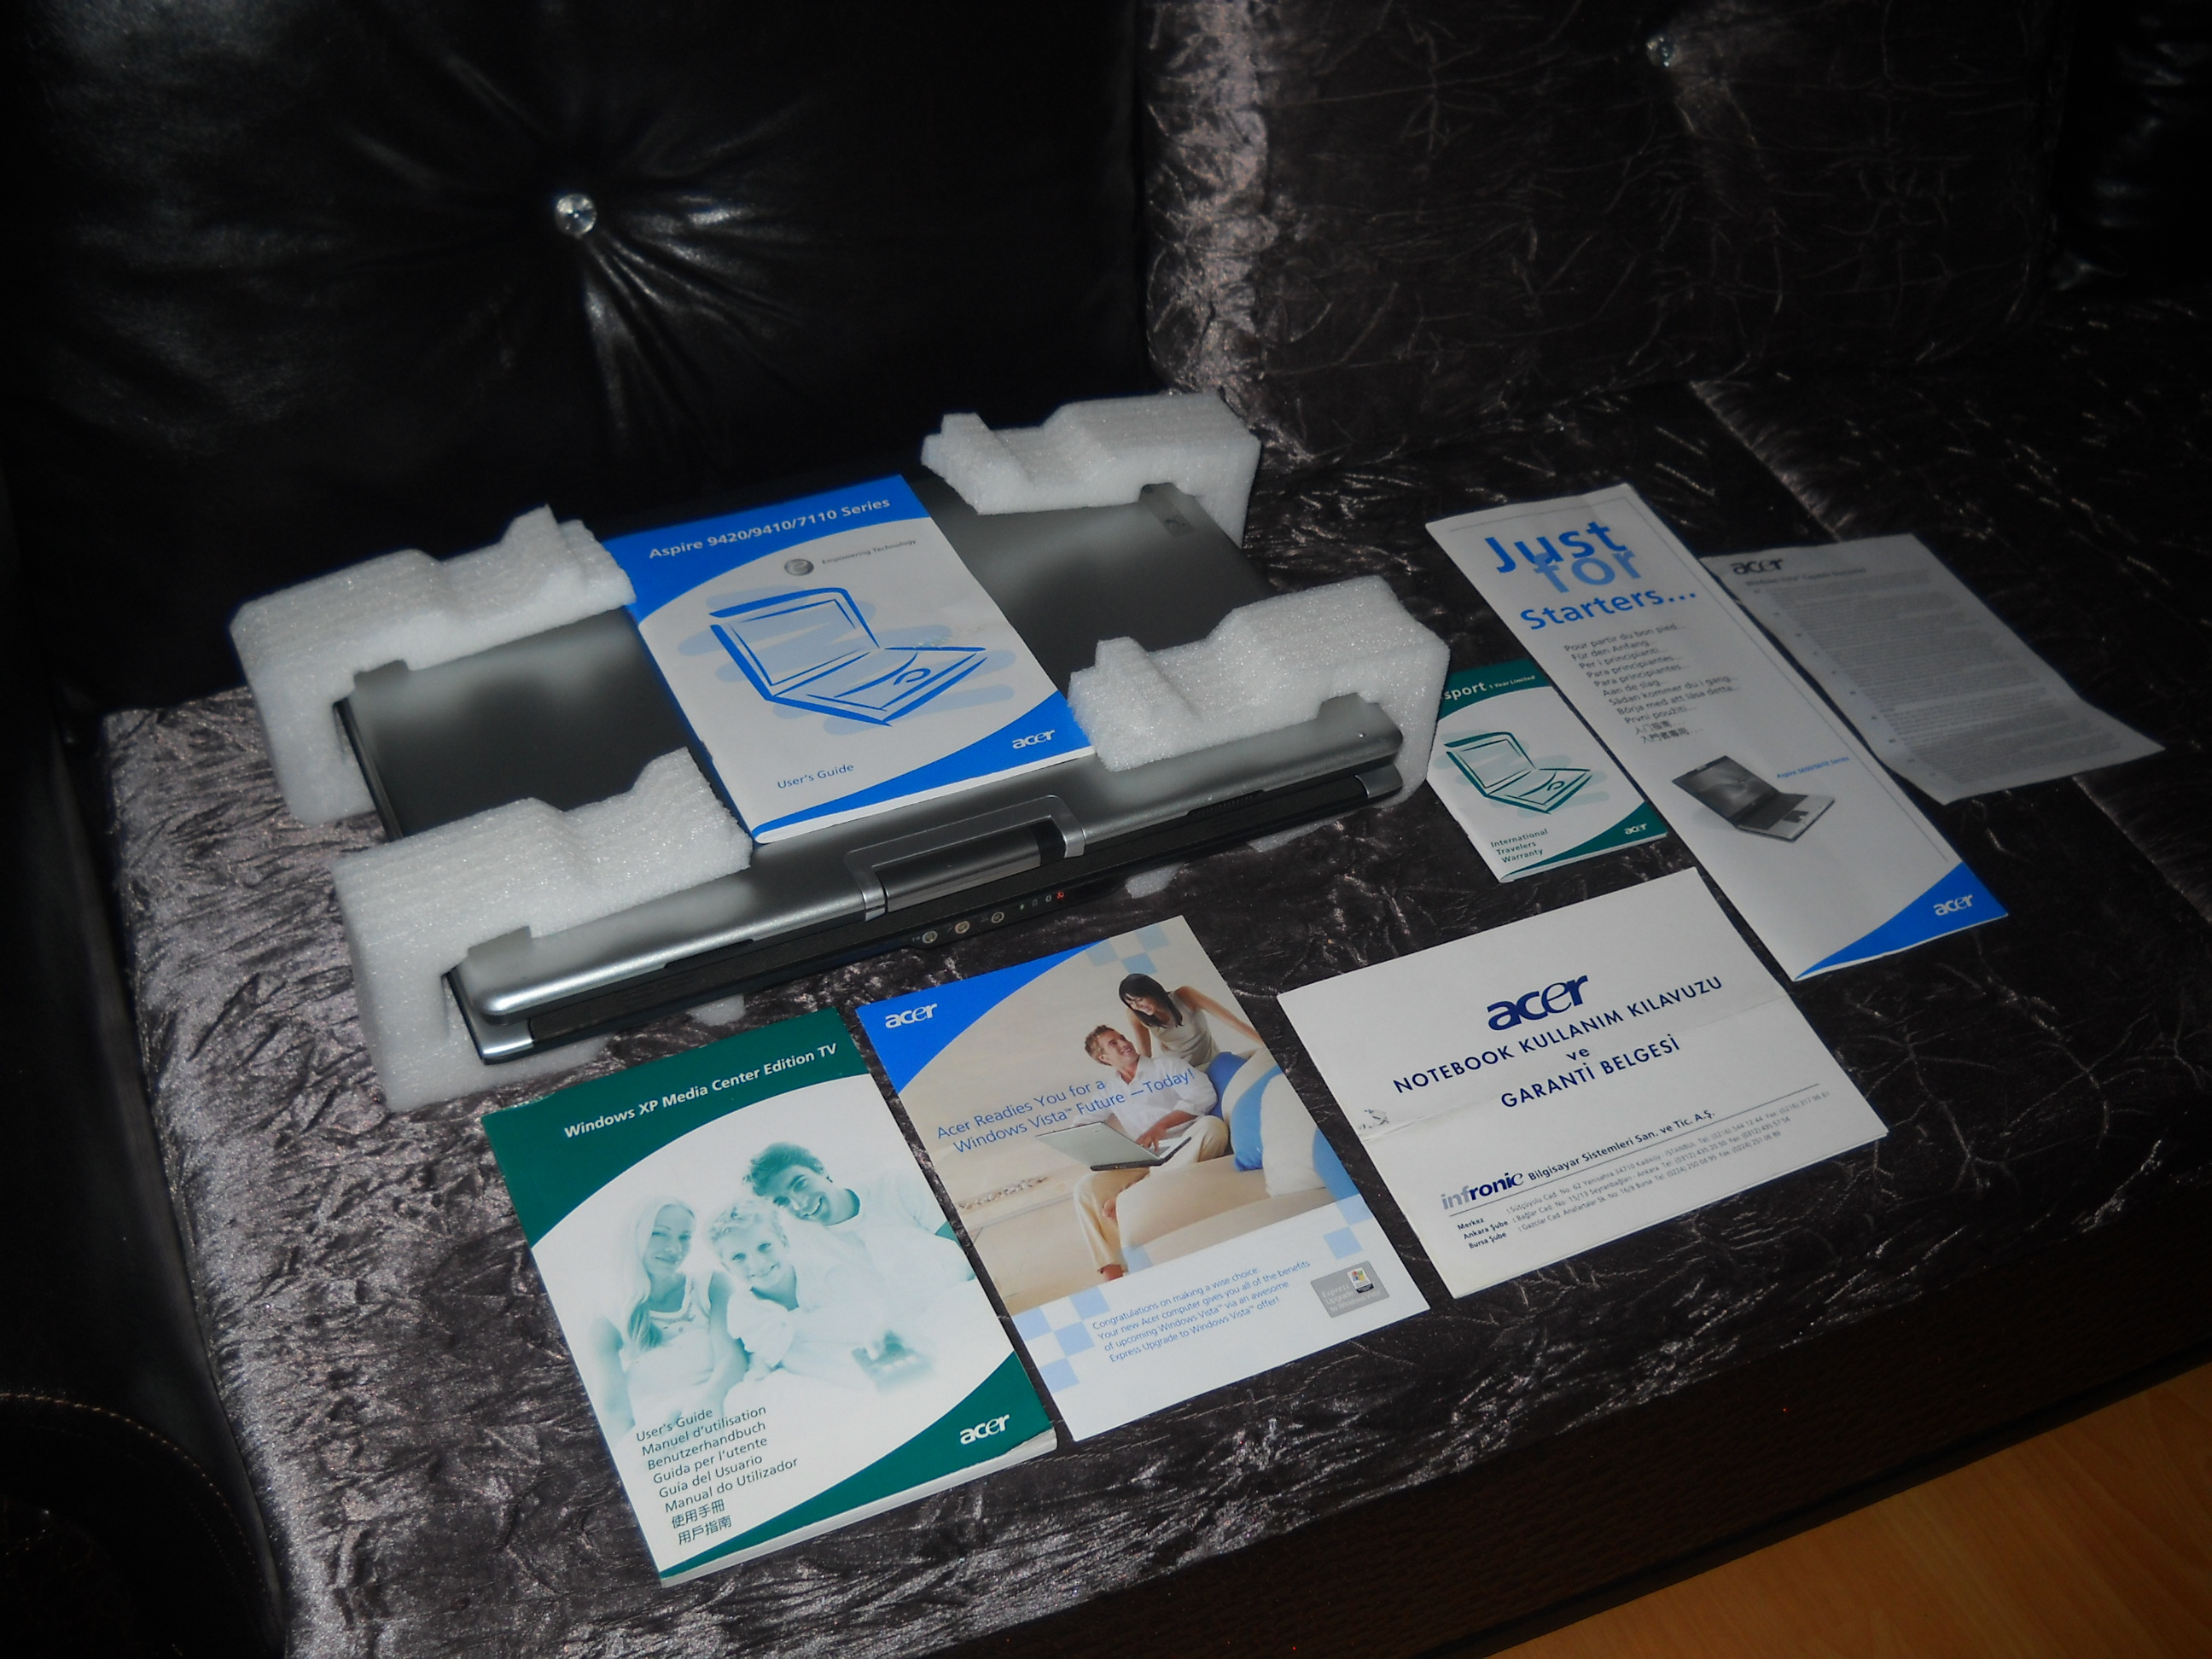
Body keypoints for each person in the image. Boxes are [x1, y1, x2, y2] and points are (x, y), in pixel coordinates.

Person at [705, 1198, 926, 1390]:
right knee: (783, 1373)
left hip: (862, 1349)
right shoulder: (743, 1308)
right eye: (738, 1257)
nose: (757, 1263)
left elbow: (867, 1321)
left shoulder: (826, 1273)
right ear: (726, 1267)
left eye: (764, 1246)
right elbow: (784, 1357)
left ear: (783, 1241)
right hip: (817, 1371)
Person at [574, 1198, 747, 1438]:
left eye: (685, 1237)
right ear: (635, 1236)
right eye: (659, 1234)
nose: (674, 1249)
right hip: (663, 1427)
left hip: (724, 1403)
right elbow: (615, 1412)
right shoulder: (607, 1320)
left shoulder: (711, 1285)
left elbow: (732, 1358)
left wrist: (704, 1409)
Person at [1074, 1023, 1231, 1280]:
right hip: (1146, 1158)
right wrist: (1091, 1140)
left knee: (1213, 1128)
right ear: (1104, 1058)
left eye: (1122, 1037)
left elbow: (1203, 1096)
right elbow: (1083, 1121)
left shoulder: (1167, 1066)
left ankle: (1131, 1193)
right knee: (1086, 1187)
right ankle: (1113, 1271)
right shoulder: (1110, 1091)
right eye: (1113, 1043)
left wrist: (1161, 1126)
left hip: (1186, 1142)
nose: (1124, 1043)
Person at [747, 1143, 974, 1310]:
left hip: (965, 1299)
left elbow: (968, 1248)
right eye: (783, 1202)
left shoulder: (896, 1185)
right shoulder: (799, 1243)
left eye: (800, 1184)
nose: (799, 1204)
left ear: (819, 1168)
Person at [1118, 972, 1260, 1072]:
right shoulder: (1134, 1014)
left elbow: (1233, 1022)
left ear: (1152, 991)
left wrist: (1266, 1044)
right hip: (1180, 1071)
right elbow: (1145, 1054)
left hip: (1213, 1062)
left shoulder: (1185, 995)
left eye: (1139, 999)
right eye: (1131, 1003)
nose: (1137, 1006)